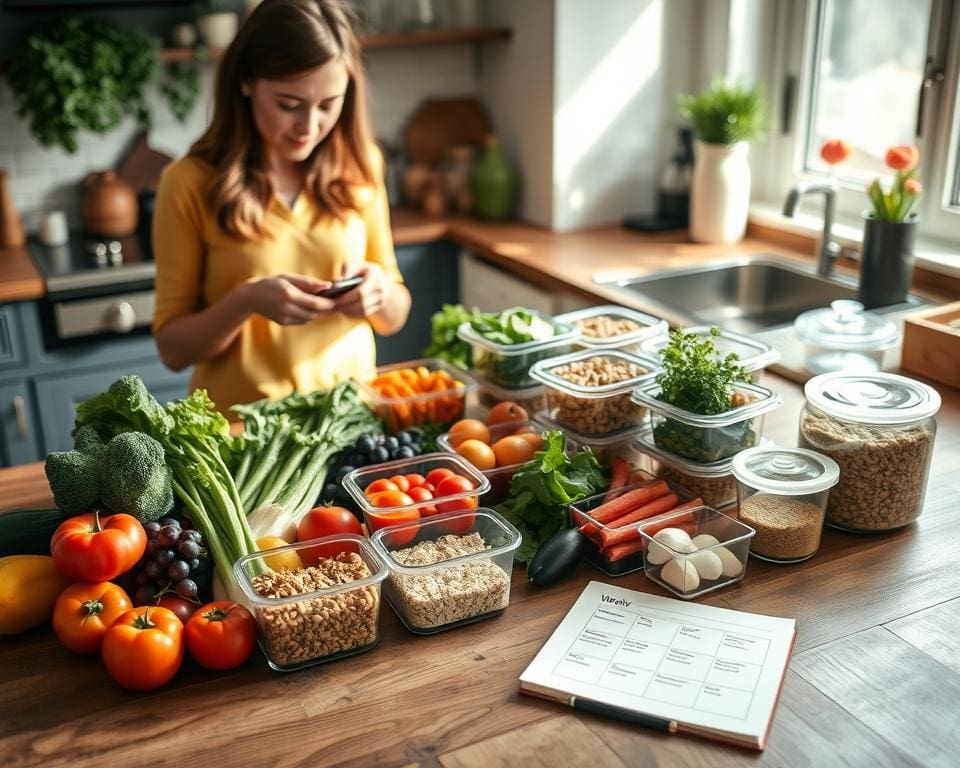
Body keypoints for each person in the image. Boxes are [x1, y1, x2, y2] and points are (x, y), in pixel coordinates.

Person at [152, 0, 411, 413]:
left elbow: (395, 313)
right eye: (289, 104)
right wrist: (246, 301)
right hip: (243, 430)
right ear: (246, 82)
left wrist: (379, 292)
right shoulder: (188, 183)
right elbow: (173, 349)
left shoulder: (362, 165)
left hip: (351, 417)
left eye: (329, 104)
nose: (309, 126)